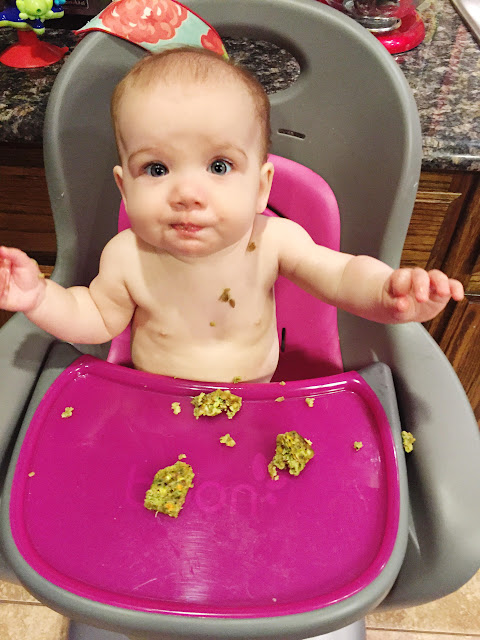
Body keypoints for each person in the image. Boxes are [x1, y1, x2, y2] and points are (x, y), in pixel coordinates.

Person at [0, 47, 464, 383]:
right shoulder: (127, 256)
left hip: (257, 401)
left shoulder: (273, 240)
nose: (187, 194)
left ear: (261, 187)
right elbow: (96, 318)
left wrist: (385, 293)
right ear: (125, 187)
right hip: (154, 399)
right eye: (156, 169)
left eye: (219, 166)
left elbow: (341, 276)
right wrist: (39, 297)